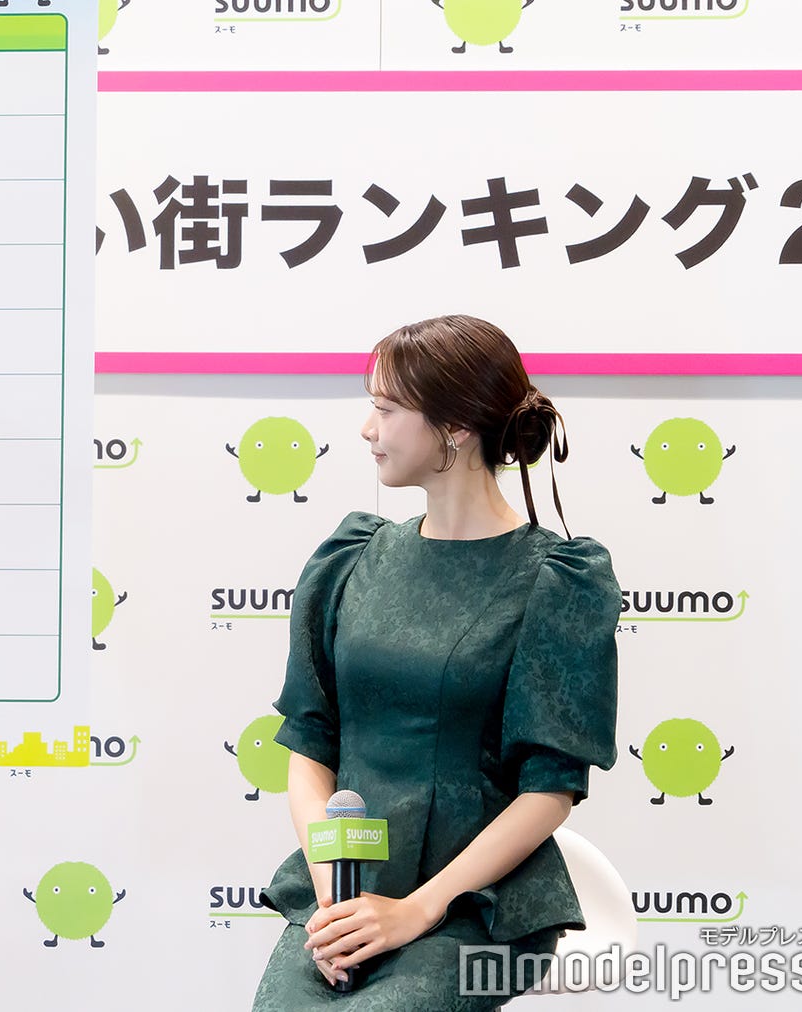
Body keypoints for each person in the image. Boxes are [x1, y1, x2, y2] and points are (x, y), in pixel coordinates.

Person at [251, 315, 620, 1010]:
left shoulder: (557, 580)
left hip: (472, 910)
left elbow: (550, 789)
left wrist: (416, 910)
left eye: (387, 410)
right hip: (342, 894)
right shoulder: (352, 557)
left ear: (455, 428)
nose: (367, 429)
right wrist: (334, 897)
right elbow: (310, 743)